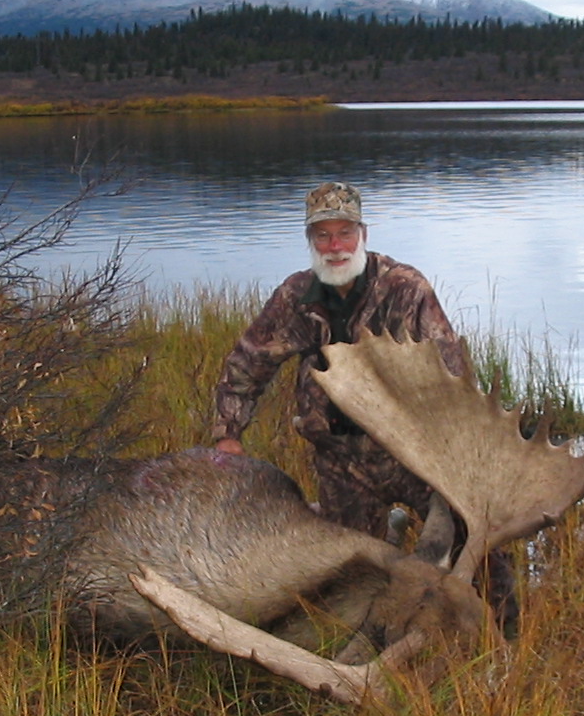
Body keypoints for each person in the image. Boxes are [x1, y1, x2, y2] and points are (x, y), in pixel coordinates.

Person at [210, 182, 517, 627]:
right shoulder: (295, 297)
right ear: (310, 241)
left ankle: (504, 634)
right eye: (323, 236)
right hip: (341, 461)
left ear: (363, 234)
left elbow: (453, 374)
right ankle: (373, 641)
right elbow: (248, 362)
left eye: (344, 233)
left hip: (414, 453)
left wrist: (464, 454)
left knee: (478, 539)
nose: (335, 247)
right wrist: (227, 434)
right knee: (350, 573)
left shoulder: (405, 289)